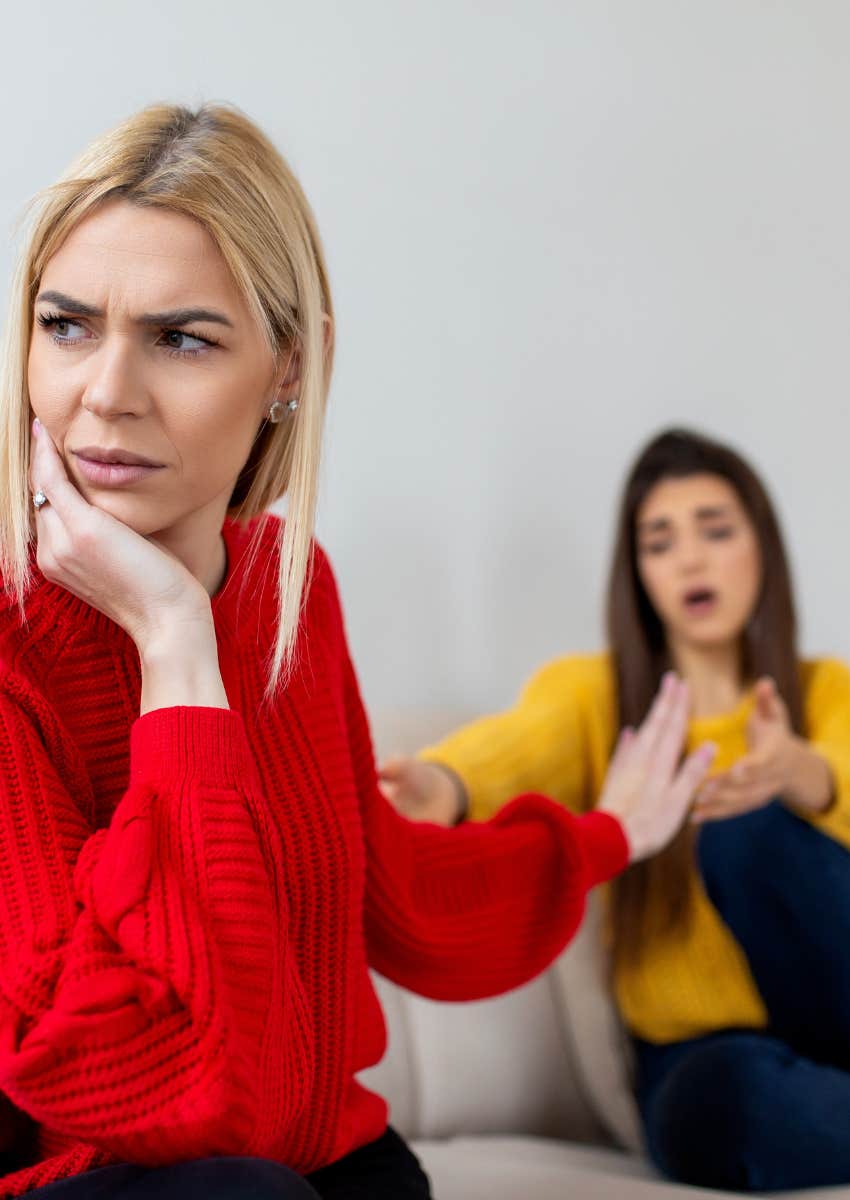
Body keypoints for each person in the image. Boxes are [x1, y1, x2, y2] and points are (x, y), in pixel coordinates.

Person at [0, 106, 712, 1199]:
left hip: (324, 1164)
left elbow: (384, 890)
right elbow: (137, 1080)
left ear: (293, 364)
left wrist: (611, 834)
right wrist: (175, 650)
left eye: (181, 338)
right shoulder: (13, 642)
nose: (106, 391)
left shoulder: (293, 588)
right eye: (67, 325)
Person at [382, 428, 850, 1193]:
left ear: (760, 547)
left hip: (837, 1024)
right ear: (639, 573)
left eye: (716, 530)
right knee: (719, 1105)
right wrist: (440, 784)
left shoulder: (825, 691)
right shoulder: (597, 697)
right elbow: (518, 748)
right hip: (707, 1060)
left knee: (747, 830)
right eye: (660, 542)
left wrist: (805, 774)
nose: (691, 559)